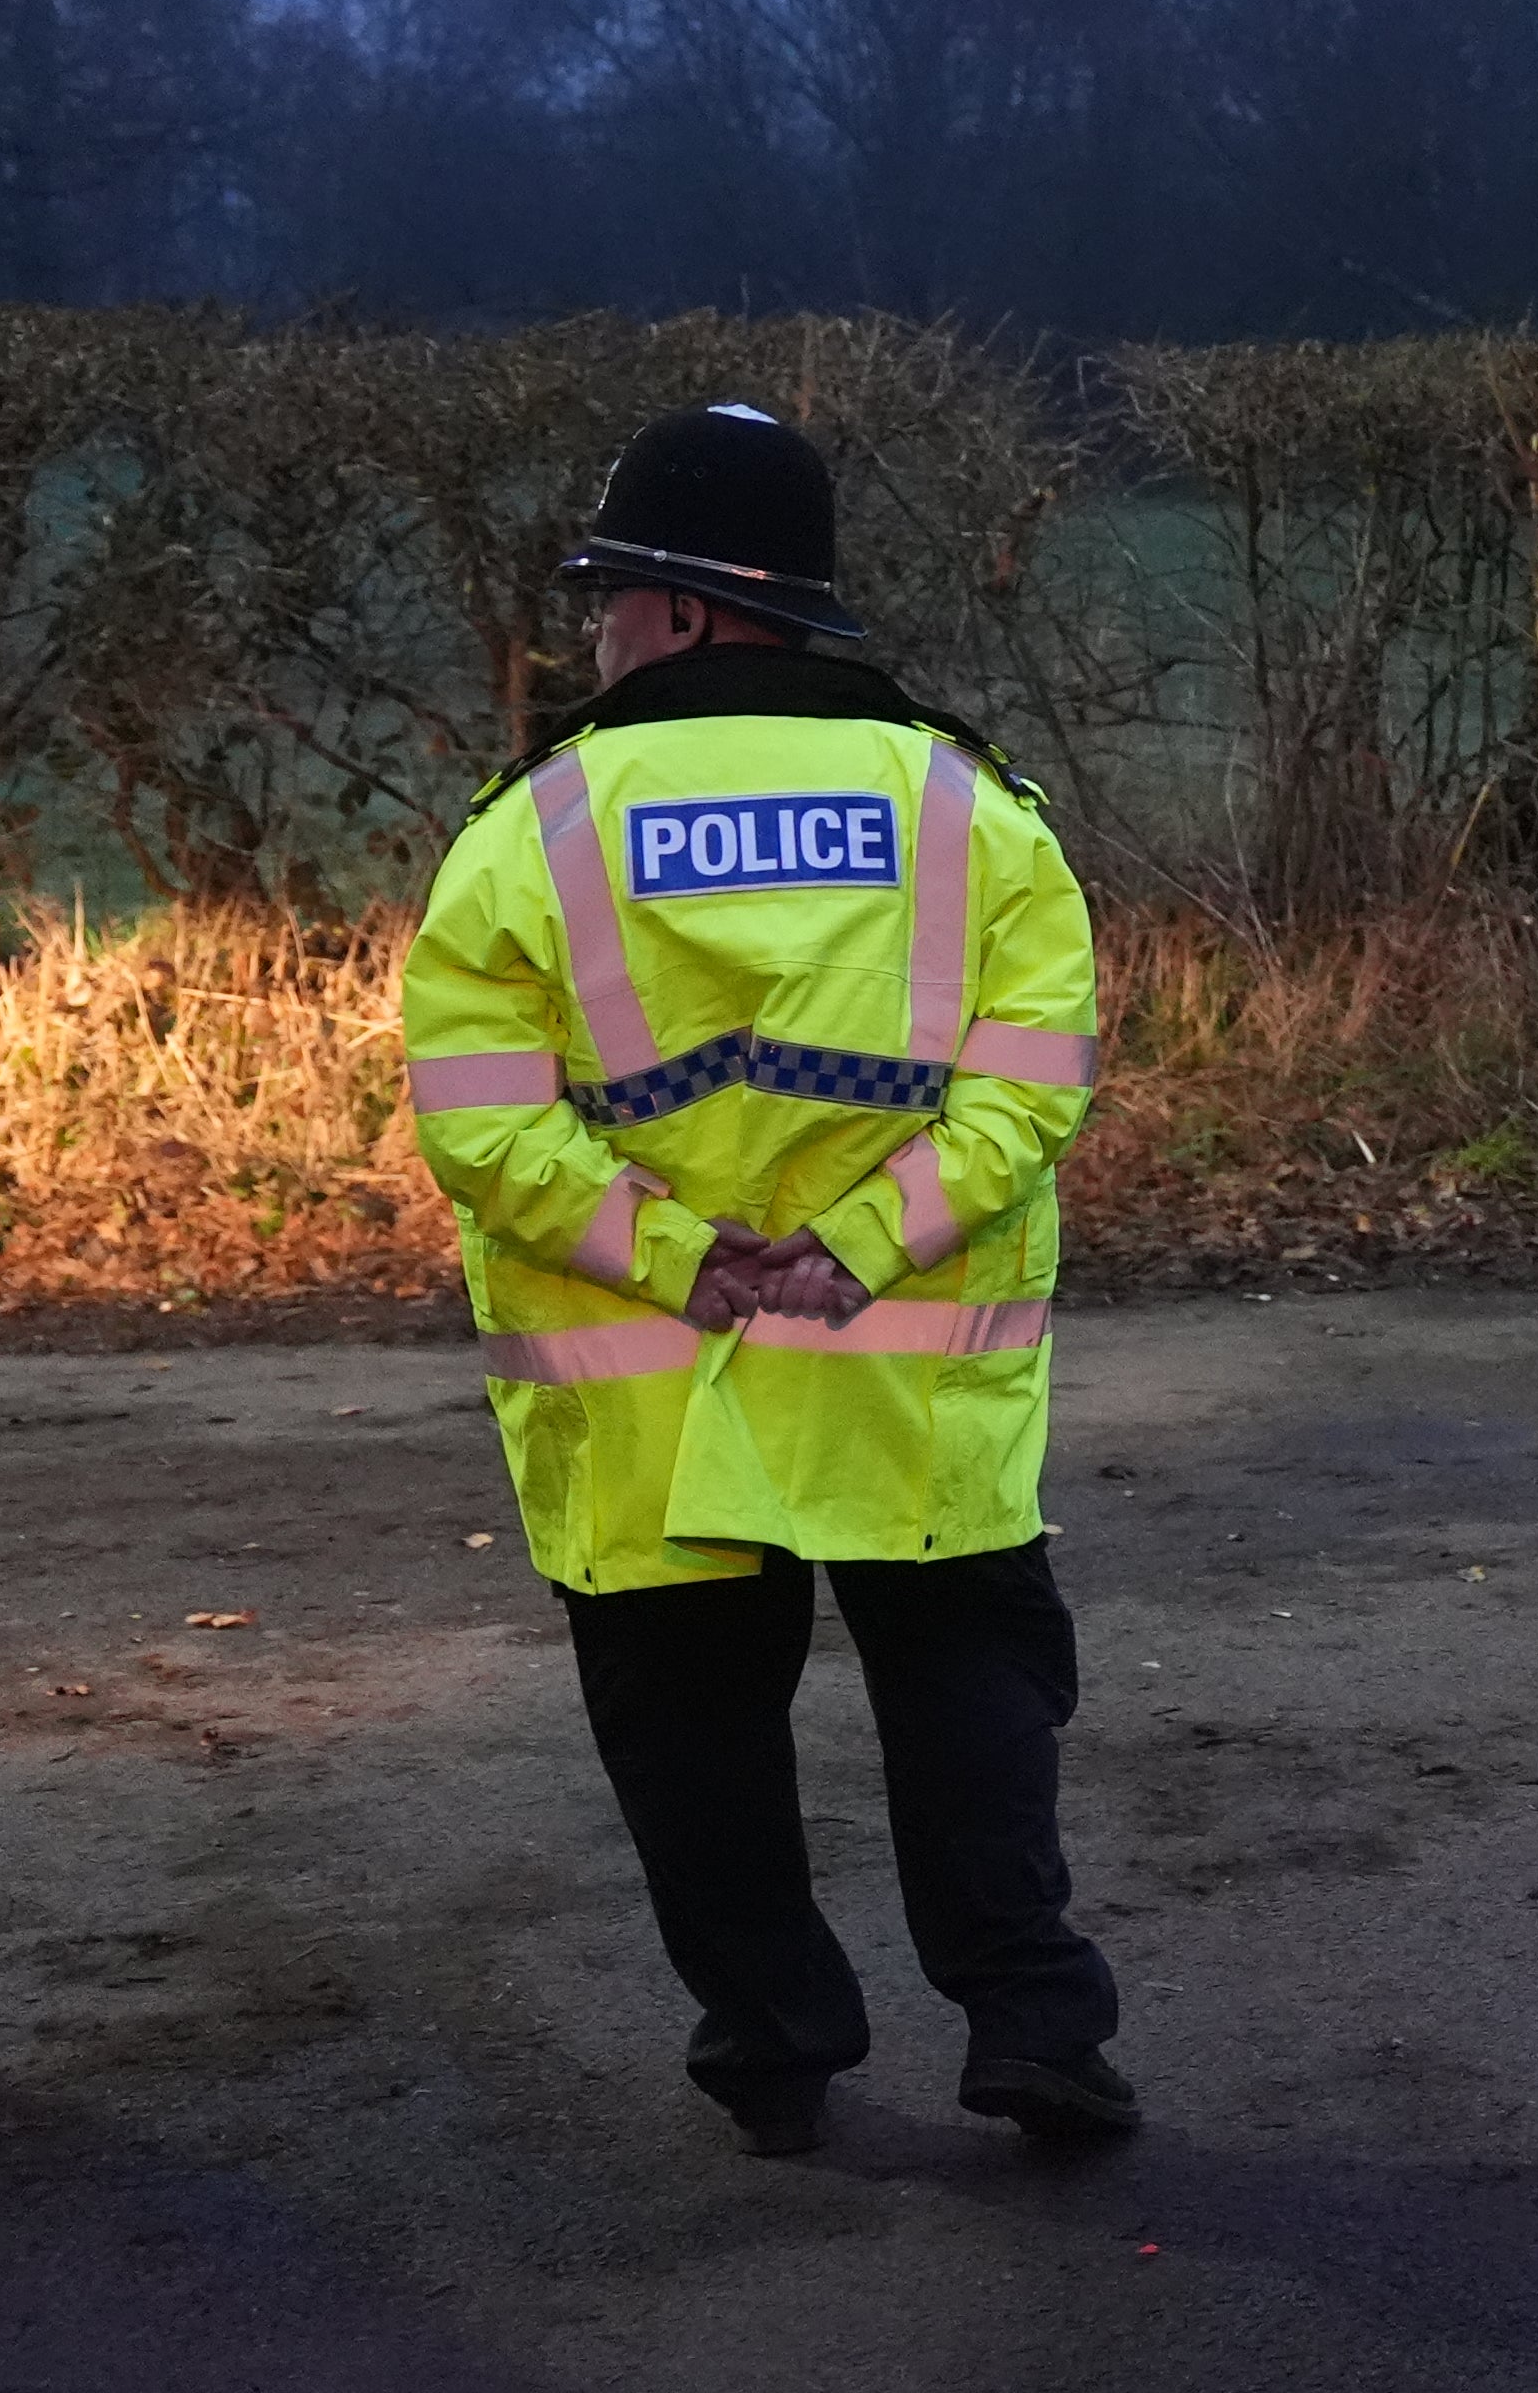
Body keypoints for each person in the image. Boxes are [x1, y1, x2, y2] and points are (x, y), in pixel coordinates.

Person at [398, 399, 1140, 2157]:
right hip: (907, 1372)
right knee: (971, 1696)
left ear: (682, 608)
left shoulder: (532, 831)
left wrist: (680, 1257)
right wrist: (857, 1246)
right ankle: (1034, 2024)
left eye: (607, 596)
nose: (592, 630)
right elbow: (1033, 1083)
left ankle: (775, 2035)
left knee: (687, 1728)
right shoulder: (970, 809)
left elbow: (480, 1122)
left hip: (651, 1386)